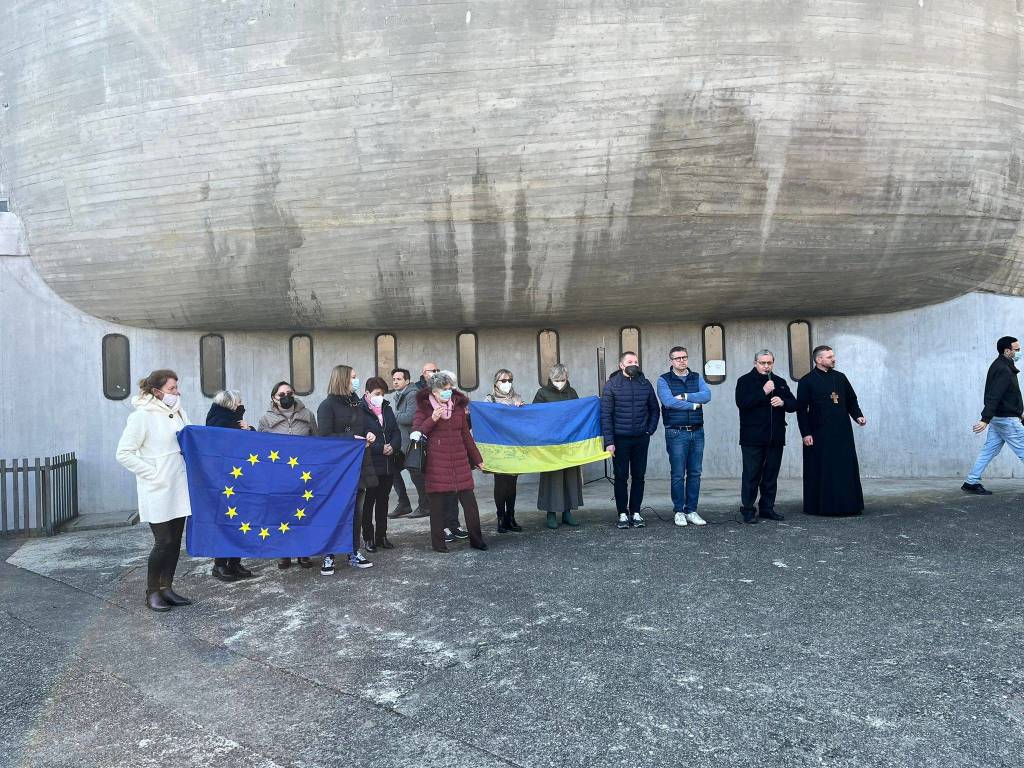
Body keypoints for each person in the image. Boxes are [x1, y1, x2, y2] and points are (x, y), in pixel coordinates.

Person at [115, 369, 193, 612]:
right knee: (163, 541)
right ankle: (152, 592)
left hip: (179, 487)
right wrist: (154, 472)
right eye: (172, 389)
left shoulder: (178, 411)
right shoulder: (142, 416)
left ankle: (167, 587)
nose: (176, 392)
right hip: (158, 488)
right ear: (156, 391)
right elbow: (124, 454)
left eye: (176, 387)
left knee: (174, 542)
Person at [412, 370, 488, 553]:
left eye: (449, 388)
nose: (448, 392)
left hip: (460, 462)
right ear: (434, 392)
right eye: (444, 389)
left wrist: (477, 459)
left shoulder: (458, 407)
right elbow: (416, 433)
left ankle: (477, 540)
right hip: (436, 464)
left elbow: (466, 437)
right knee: (437, 508)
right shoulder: (424, 408)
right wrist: (432, 419)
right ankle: (439, 544)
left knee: (470, 504)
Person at [317, 365, 377, 573]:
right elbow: (324, 438)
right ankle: (329, 554)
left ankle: (353, 550)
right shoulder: (327, 406)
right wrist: (350, 439)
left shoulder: (357, 403)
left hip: (359, 464)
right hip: (337, 470)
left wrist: (370, 435)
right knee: (334, 511)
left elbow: (367, 426)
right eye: (353, 377)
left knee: (356, 511)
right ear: (342, 379)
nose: (357, 380)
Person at [796, 345, 867, 516]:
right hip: (819, 433)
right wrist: (805, 433)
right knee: (823, 469)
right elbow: (801, 409)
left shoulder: (841, 378)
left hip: (842, 432)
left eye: (833, 356)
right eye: (829, 357)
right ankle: (821, 507)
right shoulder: (807, 381)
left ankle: (849, 505)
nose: (833, 359)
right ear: (819, 360)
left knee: (844, 467)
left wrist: (858, 416)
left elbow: (851, 400)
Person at [258, 380, 317, 569]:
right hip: (279, 475)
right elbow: (260, 446)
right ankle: (283, 552)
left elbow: (318, 442)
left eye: (289, 393)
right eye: (281, 395)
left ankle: (304, 552)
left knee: (303, 512)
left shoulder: (307, 414)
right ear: (274, 399)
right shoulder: (265, 419)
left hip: (303, 474)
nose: (286, 397)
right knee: (281, 513)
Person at [735, 350, 797, 523]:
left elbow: (794, 404)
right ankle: (748, 510)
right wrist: (763, 391)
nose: (766, 366)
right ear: (755, 363)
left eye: (769, 363)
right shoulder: (745, 381)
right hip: (752, 437)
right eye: (762, 363)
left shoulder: (780, 382)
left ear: (773, 363)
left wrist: (783, 402)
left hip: (775, 436)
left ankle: (767, 508)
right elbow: (742, 403)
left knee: (770, 475)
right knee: (751, 475)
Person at [601, 351, 660, 529]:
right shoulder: (612, 385)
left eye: (635, 361)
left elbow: (655, 410)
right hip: (620, 439)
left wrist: (649, 430)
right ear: (621, 365)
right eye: (629, 361)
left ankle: (636, 512)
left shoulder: (645, 383)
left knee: (639, 476)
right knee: (620, 477)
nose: (633, 363)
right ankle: (622, 514)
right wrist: (609, 442)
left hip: (641, 438)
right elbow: (606, 415)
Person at [656, 346, 712, 527]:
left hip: (697, 431)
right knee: (678, 474)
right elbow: (668, 402)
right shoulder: (664, 380)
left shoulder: (696, 377)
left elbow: (706, 395)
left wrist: (685, 396)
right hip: (676, 432)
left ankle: (692, 510)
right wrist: (693, 405)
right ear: (671, 360)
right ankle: (679, 511)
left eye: (684, 357)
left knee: (695, 473)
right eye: (678, 358)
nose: (682, 360)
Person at [204, 389, 257, 581]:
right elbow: (221, 444)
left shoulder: (235, 421)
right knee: (226, 521)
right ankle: (220, 565)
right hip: (224, 480)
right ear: (231, 404)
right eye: (239, 401)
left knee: (240, 521)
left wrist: (249, 430)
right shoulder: (217, 422)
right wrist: (241, 430)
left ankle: (235, 562)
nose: (242, 404)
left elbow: (251, 448)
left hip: (240, 479)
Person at [962, 335, 1024, 495]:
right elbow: (994, 395)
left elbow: (1008, 395)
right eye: (1016, 349)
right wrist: (985, 419)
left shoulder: (1003, 365)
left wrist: (1019, 413)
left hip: (1001, 418)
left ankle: (971, 481)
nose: (1019, 351)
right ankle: (971, 481)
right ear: (1007, 351)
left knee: (988, 450)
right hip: (1006, 419)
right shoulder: (1003, 369)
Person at [533, 363, 584, 529]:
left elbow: (579, 413)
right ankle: (551, 513)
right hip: (550, 444)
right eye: (556, 379)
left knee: (570, 477)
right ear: (551, 379)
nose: (559, 382)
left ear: (567, 378)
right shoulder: (542, 393)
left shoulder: (572, 392)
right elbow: (534, 416)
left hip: (569, 443)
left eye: (562, 379)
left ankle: (568, 512)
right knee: (552, 479)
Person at [359, 377, 402, 551]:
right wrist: (379, 448)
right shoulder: (360, 411)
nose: (380, 397)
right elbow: (360, 435)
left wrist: (393, 446)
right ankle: (368, 537)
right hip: (371, 463)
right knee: (369, 502)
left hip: (388, 464)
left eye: (383, 394)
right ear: (367, 393)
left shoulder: (387, 408)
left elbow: (396, 431)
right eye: (377, 394)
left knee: (384, 501)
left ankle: (382, 536)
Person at [485, 368, 525, 533]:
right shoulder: (490, 400)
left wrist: (521, 409)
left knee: (512, 484)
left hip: (513, 446)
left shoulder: (517, 398)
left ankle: (511, 516)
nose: (507, 383)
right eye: (503, 380)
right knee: (500, 483)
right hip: (497, 448)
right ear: (496, 383)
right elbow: (485, 420)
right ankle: (501, 517)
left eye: (509, 380)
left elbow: (524, 421)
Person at [389, 367, 427, 519]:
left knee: (416, 475)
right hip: (403, 444)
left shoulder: (412, 394)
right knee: (393, 470)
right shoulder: (399, 395)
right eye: (394, 379)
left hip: (412, 443)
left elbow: (410, 417)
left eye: (399, 379)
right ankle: (404, 504)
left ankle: (424, 506)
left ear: (407, 381)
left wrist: (392, 415)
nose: (395, 382)